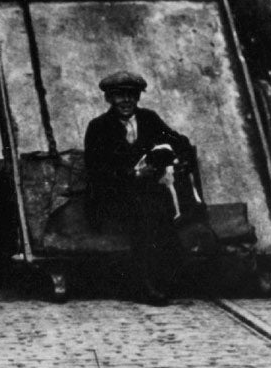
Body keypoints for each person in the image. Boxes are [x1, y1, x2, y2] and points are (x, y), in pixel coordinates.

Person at [83, 70, 196, 306]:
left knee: (162, 211)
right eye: (119, 96)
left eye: (131, 96)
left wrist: (179, 158)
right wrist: (133, 173)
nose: (126, 101)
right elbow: (97, 171)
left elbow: (178, 140)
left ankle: (167, 279)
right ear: (109, 99)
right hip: (113, 193)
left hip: (146, 191)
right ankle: (144, 286)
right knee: (144, 213)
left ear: (138, 98)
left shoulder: (149, 119)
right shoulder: (98, 127)